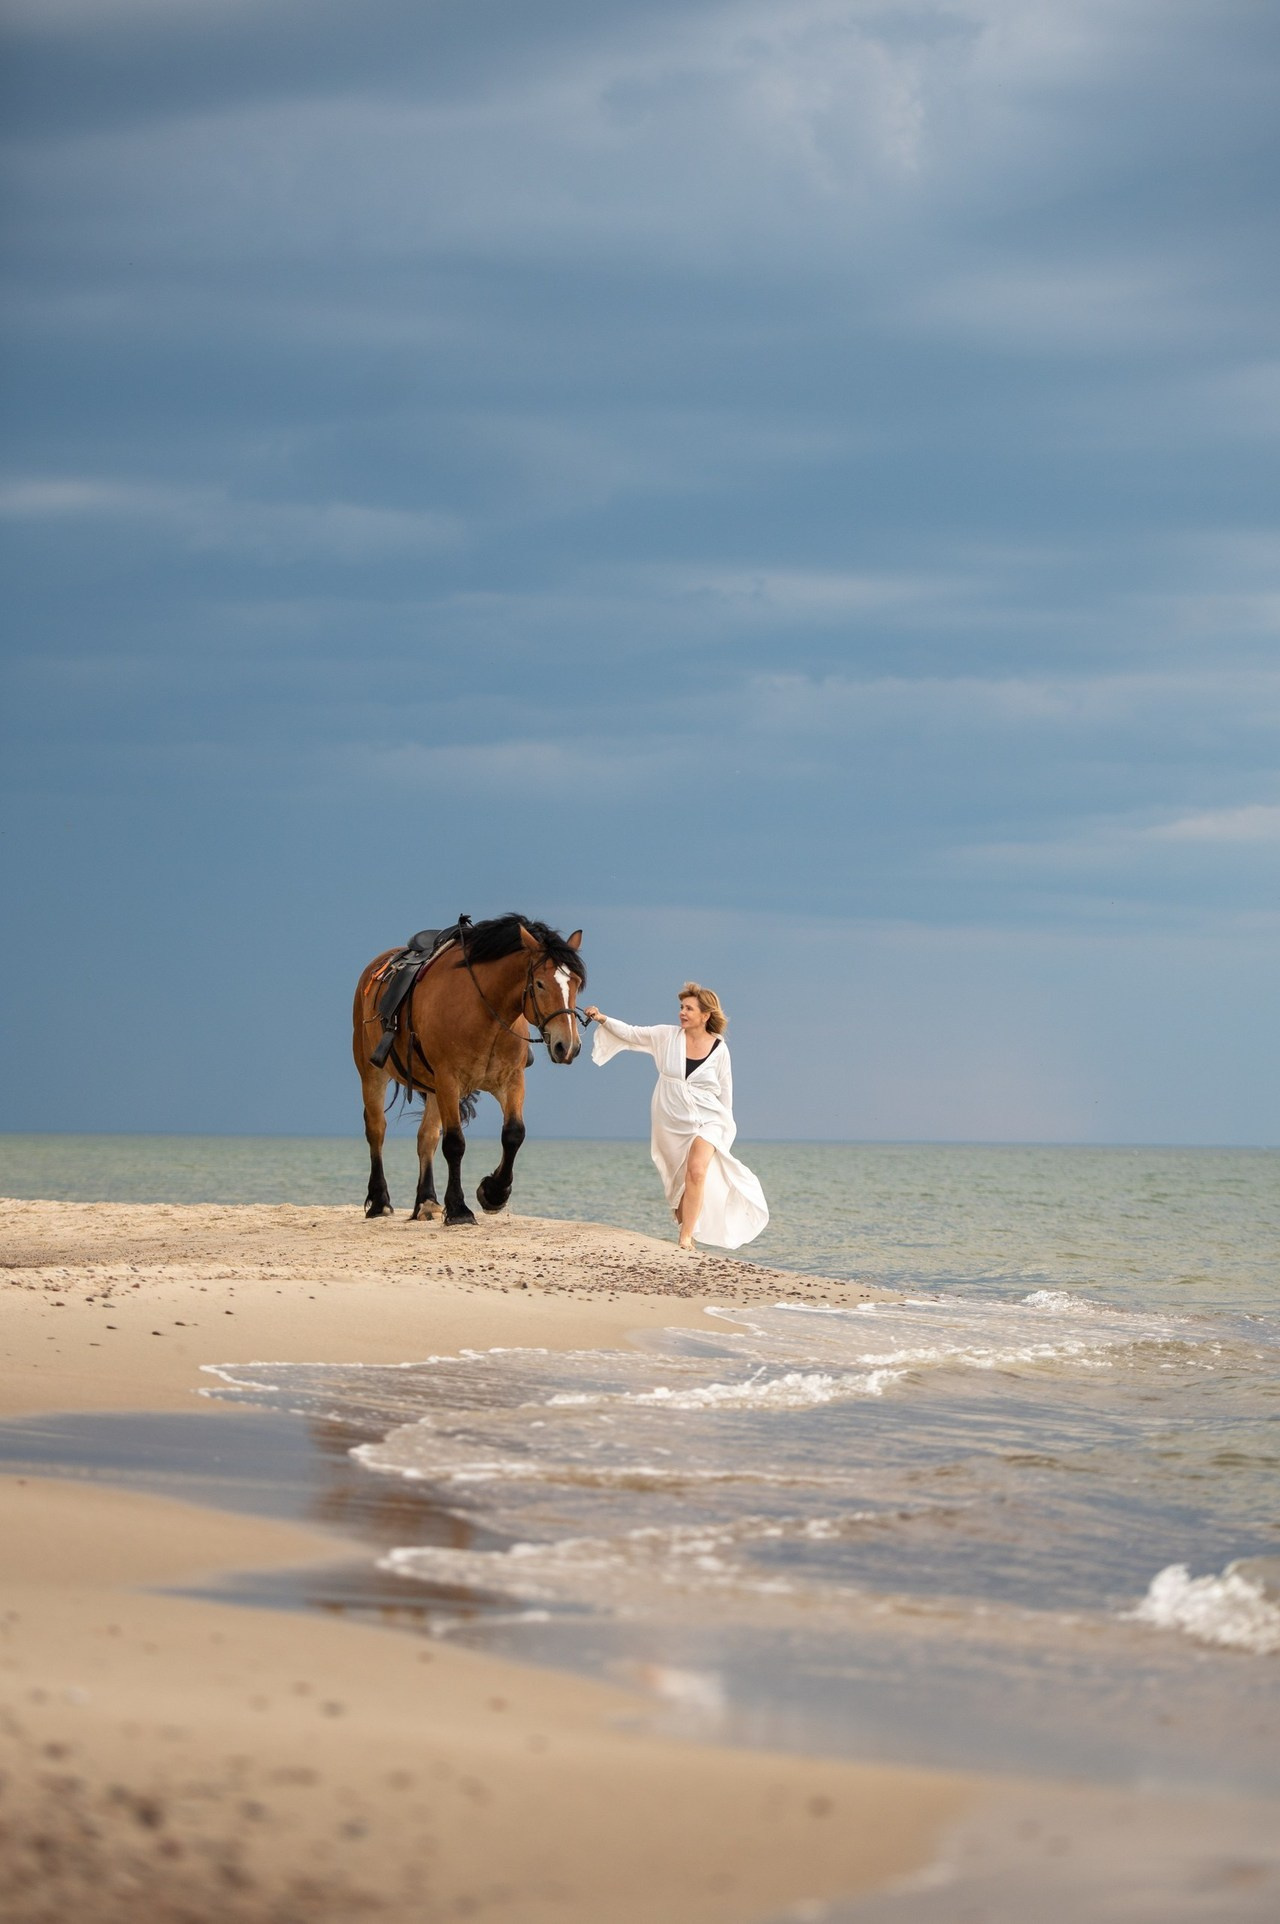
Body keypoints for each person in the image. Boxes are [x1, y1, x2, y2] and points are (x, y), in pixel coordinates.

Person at [581, 983, 769, 1251]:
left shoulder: (719, 1049)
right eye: (681, 1007)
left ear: (705, 1015)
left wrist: (725, 1131)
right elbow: (632, 1034)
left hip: (711, 1119)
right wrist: (602, 1018)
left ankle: (686, 1238)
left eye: (689, 1008)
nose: (682, 1012)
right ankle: (685, 1223)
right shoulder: (666, 1036)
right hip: (671, 1119)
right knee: (678, 1180)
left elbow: (726, 1094)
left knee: (696, 1171)